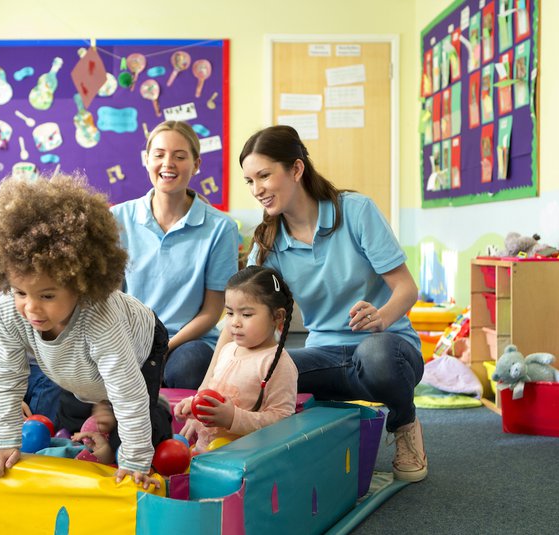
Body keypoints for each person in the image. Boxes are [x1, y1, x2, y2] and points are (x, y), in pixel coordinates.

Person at [237, 125, 427, 482]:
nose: (257, 189)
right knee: (261, 369)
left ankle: (405, 423)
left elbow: (406, 288)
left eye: (264, 175)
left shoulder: (355, 211)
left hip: (388, 351)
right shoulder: (268, 240)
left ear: (296, 169)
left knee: (376, 355)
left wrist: (382, 317)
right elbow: (244, 309)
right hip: (324, 356)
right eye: (249, 181)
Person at [0, 174, 172, 489]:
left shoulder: (100, 317)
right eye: (21, 292)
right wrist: (4, 439)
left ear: (80, 285)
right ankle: (96, 404)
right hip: (76, 365)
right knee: (71, 426)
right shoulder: (10, 309)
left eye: (47, 295)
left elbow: (127, 393)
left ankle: (159, 410)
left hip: (140, 349)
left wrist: (135, 461)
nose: (32, 308)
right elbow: (6, 378)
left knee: (132, 431)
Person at [110, 121, 238, 389]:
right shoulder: (117, 219)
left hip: (187, 342)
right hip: (130, 339)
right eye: (159, 155)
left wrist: (165, 347)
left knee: (189, 366)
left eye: (180, 156)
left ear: (197, 164)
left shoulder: (220, 227)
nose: (168, 163)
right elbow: (111, 297)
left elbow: (212, 311)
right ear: (146, 160)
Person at [174, 266, 298, 452]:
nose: (235, 322)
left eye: (246, 314)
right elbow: (215, 392)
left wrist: (233, 418)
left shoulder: (277, 363)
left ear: (277, 316)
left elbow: (282, 422)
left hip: (243, 463)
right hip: (204, 454)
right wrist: (193, 405)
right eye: (230, 313)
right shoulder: (227, 350)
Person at [0, 293, 63, 422]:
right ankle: (35, 429)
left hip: (39, 366)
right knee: (51, 381)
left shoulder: (65, 306)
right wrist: (11, 399)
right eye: (21, 293)